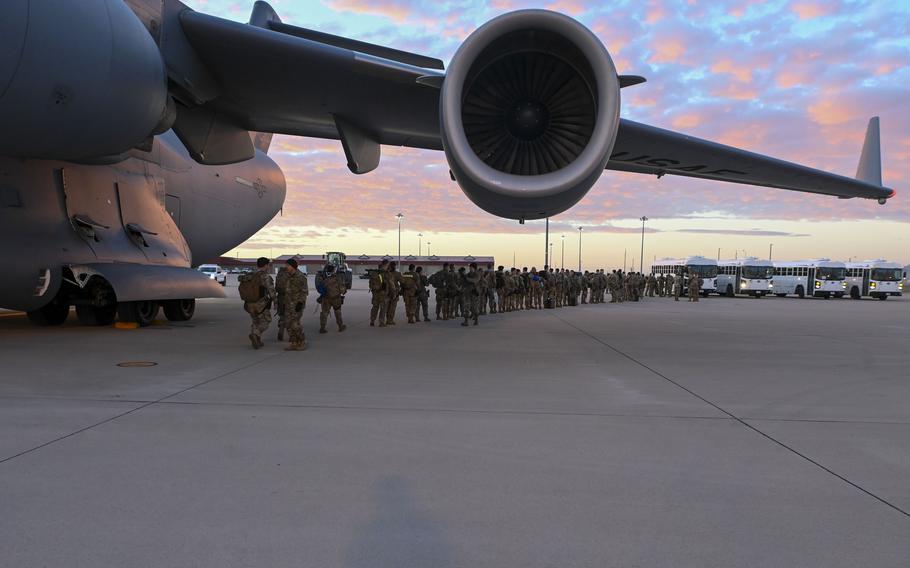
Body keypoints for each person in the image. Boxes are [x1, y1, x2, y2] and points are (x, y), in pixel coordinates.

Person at [239, 257, 276, 349]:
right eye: (268, 265)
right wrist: (275, 302)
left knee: (255, 321)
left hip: (249, 303)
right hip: (261, 304)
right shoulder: (265, 276)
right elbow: (271, 291)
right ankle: (255, 334)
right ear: (266, 265)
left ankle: (257, 340)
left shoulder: (249, 275)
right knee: (266, 321)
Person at [282, 258, 308, 350]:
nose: (286, 267)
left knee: (295, 325)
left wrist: (300, 303)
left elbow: (304, 291)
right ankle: (294, 342)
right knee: (288, 325)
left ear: (293, 266)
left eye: (287, 266)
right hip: (288, 304)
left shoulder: (301, 277)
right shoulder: (287, 276)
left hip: (297, 305)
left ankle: (302, 341)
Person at [317, 263, 346, 334]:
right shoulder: (337, 278)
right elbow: (342, 290)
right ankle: (340, 326)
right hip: (336, 299)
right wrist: (344, 291)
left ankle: (322, 328)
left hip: (326, 299)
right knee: (338, 312)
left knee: (324, 313)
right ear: (333, 270)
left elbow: (319, 287)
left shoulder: (323, 278)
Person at [369, 260, 389, 327]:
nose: (387, 267)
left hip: (375, 293)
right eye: (387, 265)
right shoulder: (385, 273)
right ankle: (381, 322)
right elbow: (390, 284)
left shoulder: (374, 273)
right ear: (385, 265)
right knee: (383, 308)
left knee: (375, 307)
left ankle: (372, 320)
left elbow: (370, 283)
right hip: (382, 293)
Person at [274, 262, 289, 341]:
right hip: (290, 298)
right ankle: (291, 335)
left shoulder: (279, 274)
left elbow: (276, 287)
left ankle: (281, 326)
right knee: (291, 316)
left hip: (280, 297)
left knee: (282, 315)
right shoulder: (291, 274)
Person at [386, 261, 403, 325]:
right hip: (394, 292)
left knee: (387, 306)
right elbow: (402, 282)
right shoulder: (397, 274)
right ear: (395, 266)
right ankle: (390, 320)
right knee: (392, 307)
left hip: (386, 292)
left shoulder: (386, 273)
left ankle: (387, 318)